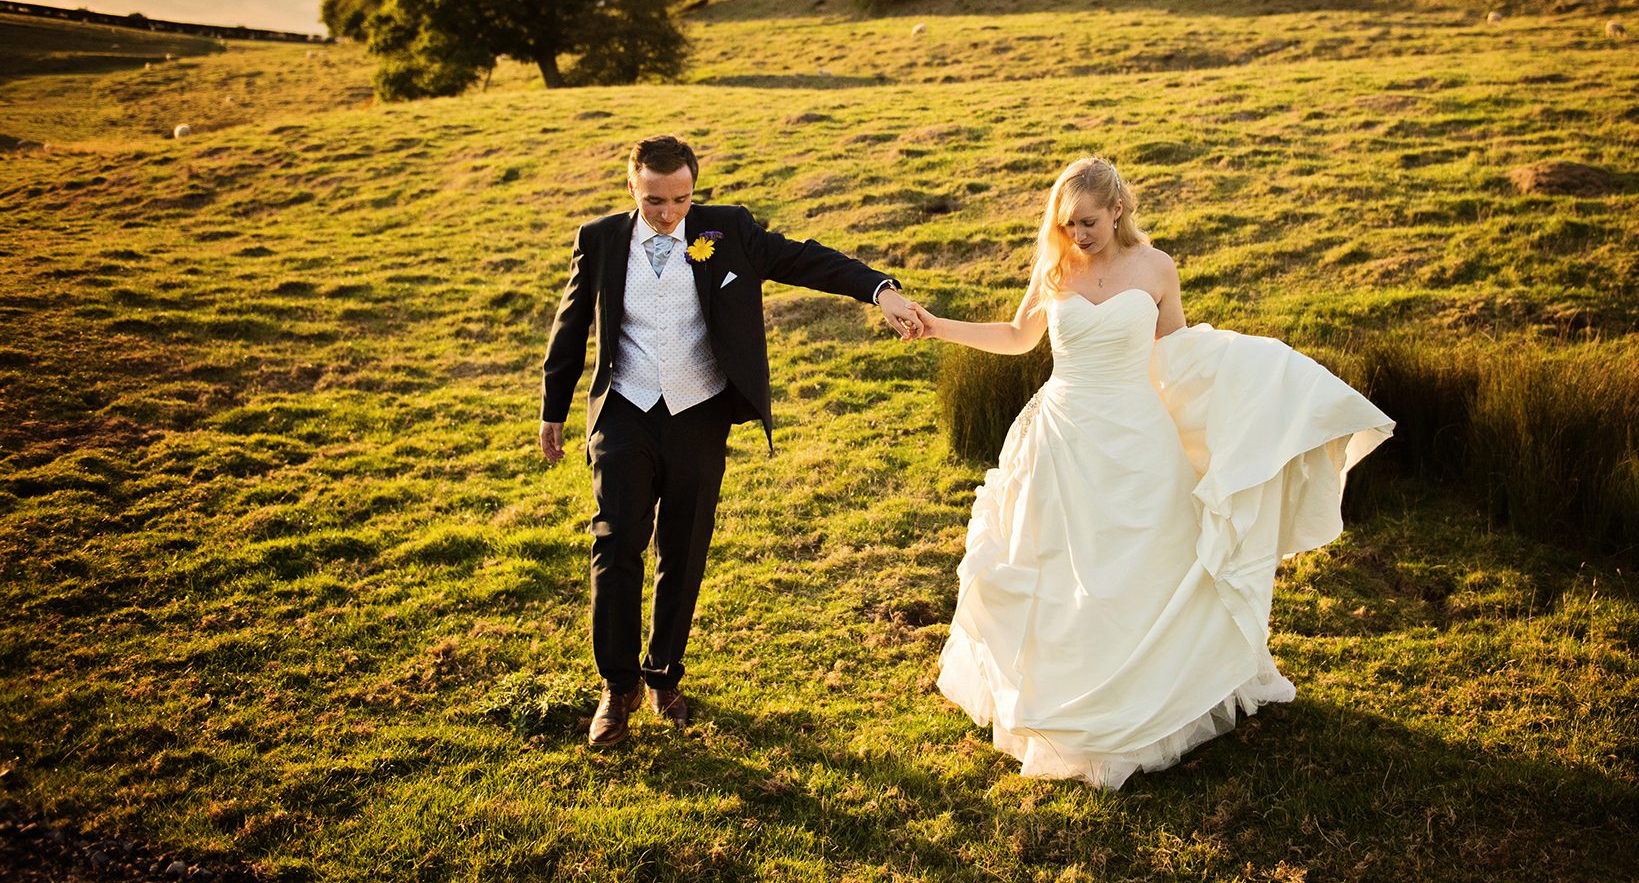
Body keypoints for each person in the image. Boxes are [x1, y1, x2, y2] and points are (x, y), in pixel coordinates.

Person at [904, 156, 1396, 789]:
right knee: (1061, 563)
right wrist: (935, 325)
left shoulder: (1157, 268)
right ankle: (1067, 694)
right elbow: (1017, 337)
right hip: (1062, 435)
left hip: (1137, 435)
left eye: (1087, 222)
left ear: (1117, 211)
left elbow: (1179, 355)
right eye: (1067, 223)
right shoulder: (1055, 267)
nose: (1077, 235)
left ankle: (1162, 693)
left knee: (1151, 560)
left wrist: (1262, 373)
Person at [539, 134, 924, 744]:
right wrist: (553, 409)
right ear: (632, 188)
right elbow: (570, 324)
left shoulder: (727, 232)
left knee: (684, 549)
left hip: (698, 411)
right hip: (625, 409)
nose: (668, 214)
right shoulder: (601, 240)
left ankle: (663, 671)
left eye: (680, 199)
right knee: (615, 547)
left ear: (695, 187)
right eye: (654, 201)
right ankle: (618, 687)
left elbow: (807, 260)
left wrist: (880, 290)